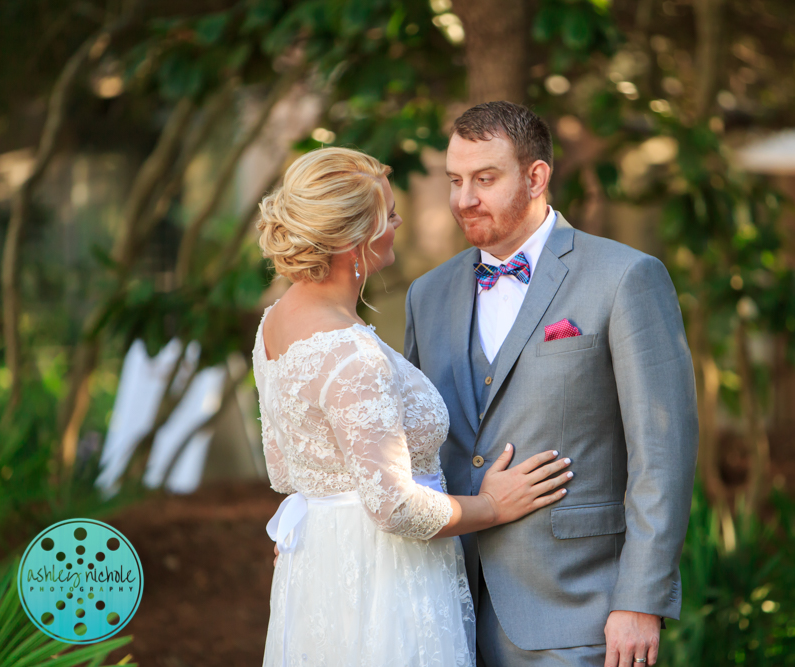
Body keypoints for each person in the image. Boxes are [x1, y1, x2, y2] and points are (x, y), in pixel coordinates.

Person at [253, 147, 574, 667]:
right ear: (355, 239)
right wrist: (494, 506)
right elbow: (396, 507)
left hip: (319, 571)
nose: (399, 221)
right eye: (389, 214)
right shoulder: (350, 351)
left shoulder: (274, 324)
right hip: (386, 583)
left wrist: (323, 525)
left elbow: (286, 468)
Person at [404, 101, 699, 667]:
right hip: (447, 612)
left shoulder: (625, 277)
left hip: (579, 614)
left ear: (536, 176)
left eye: (485, 179)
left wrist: (639, 601)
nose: (464, 198)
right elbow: (415, 448)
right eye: (455, 180)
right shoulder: (428, 294)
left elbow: (662, 452)